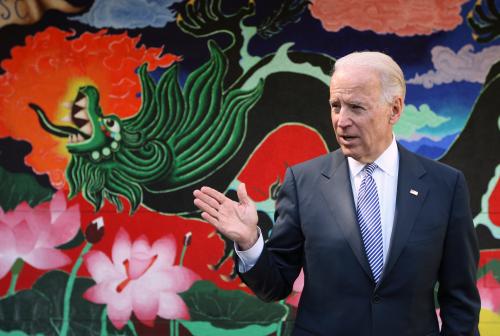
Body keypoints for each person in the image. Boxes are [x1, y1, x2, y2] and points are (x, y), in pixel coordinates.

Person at [193, 51, 481, 336]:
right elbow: (275, 285)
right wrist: (250, 241)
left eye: (356, 107)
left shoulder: (445, 185)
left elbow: (461, 301)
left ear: (394, 109)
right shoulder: (302, 181)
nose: (341, 121)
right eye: (335, 106)